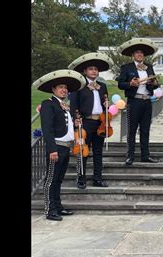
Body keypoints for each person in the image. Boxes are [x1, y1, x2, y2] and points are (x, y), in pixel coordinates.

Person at [32, 69, 86, 221]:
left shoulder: (64, 106)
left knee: (59, 179)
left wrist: (75, 124)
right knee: (51, 180)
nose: (64, 90)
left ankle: (58, 207)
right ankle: (50, 210)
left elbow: (63, 126)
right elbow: (47, 129)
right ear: (53, 89)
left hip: (65, 147)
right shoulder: (48, 104)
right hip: (56, 147)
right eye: (60, 87)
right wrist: (52, 149)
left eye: (65, 88)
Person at [68, 52, 114, 189]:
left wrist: (107, 106)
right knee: (83, 151)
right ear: (85, 71)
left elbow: (104, 103)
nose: (94, 71)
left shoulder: (102, 86)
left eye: (96, 69)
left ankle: (97, 179)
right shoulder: (79, 87)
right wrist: (76, 122)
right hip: (85, 123)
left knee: (98, 152)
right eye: (91, 69)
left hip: (99, 123)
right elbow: (74, 106)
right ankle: (81, 179)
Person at [117, 38, 160, 165]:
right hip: (134, 101)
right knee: (132, 130)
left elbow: (154, 84)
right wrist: (130, 83)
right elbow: (120, 84)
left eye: (141, 53)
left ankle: (145, 155)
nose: (140, 54)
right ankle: (130, 156)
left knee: (145, 130)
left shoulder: (149, 67)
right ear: (133, 55)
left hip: (147, 101)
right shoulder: (126, 67)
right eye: (137, 52)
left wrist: (154, 84)